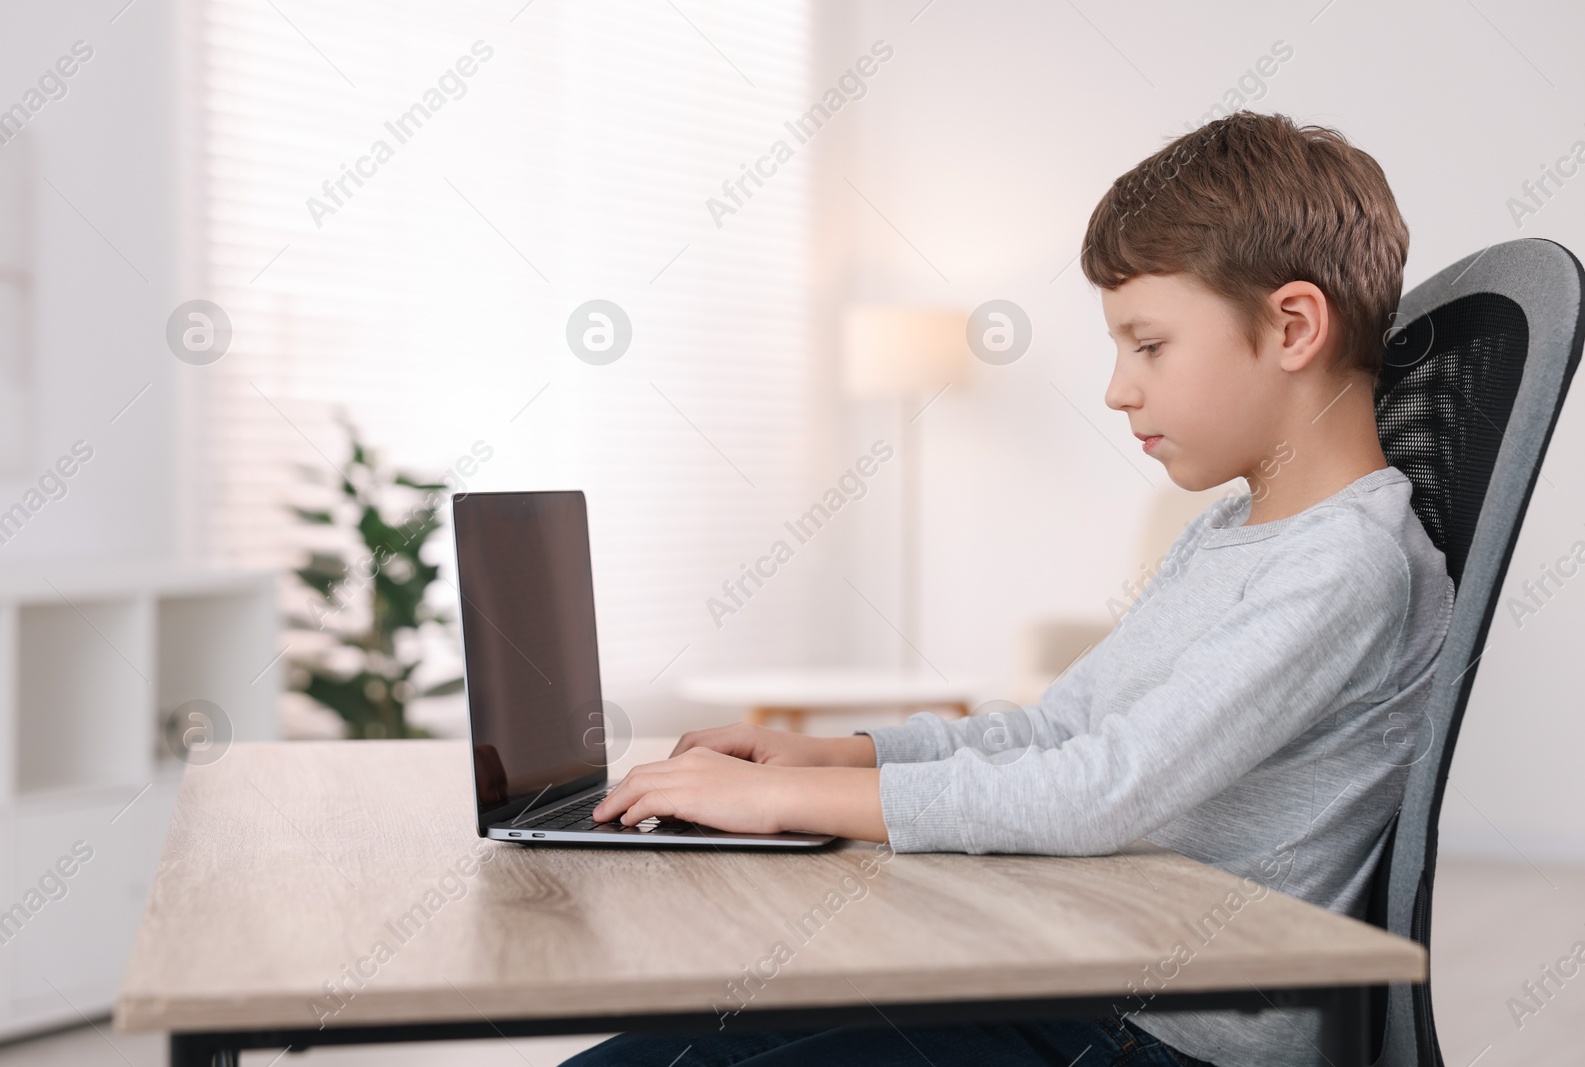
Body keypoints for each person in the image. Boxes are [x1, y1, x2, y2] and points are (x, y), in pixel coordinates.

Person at [565, 110, 1454, 1067]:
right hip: (1073, 974)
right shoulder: (1232, 532)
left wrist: (787, 804)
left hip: (1164, 1034)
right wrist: (822, 755)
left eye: (1148, 345)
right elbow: (1055, 732)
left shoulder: (1346, 565)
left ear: (1292, 326)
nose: (1118, 388)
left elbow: (1100, 792)